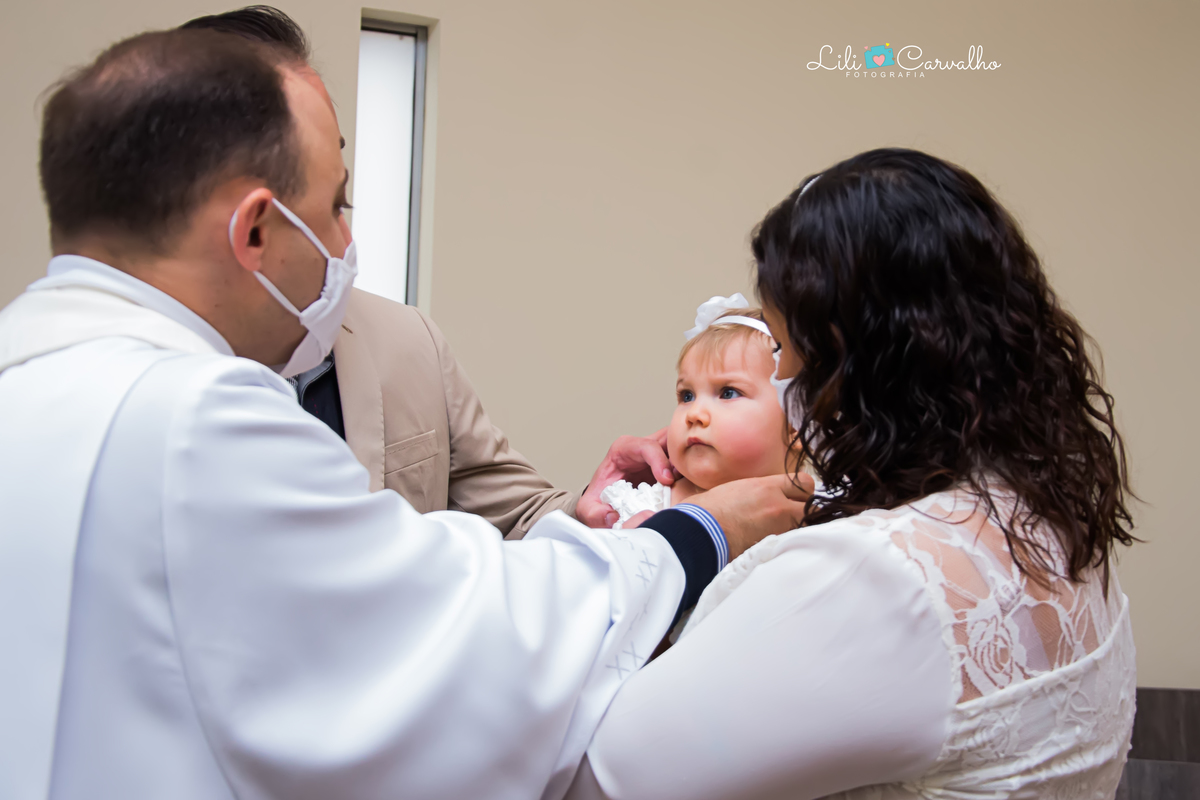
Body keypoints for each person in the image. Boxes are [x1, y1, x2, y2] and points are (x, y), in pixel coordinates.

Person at [0, 29, 811, 799]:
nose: (345, 241)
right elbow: (465, 636)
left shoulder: (31, 369)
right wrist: (699, 531)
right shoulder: (193, 419)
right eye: (337, 206)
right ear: (254, 228)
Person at [568, 149, 1137, 800]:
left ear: (850, 356)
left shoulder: (873, 578)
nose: (780, 375)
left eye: (781, 348)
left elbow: (603, 783)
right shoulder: (1043, 511)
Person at [179, 4, 663, 534]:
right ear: (248, 219)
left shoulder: (409, 344)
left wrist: (592, 507)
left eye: (343, 194)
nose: (345, 239)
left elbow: (516, 514)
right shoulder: (129, 389)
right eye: (332, 201)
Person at [599, 295, 795, 527]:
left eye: (728, 392)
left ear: (797, 424)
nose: (695, 415)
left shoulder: (824, 524)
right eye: (687, 396)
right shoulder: (640, 507)